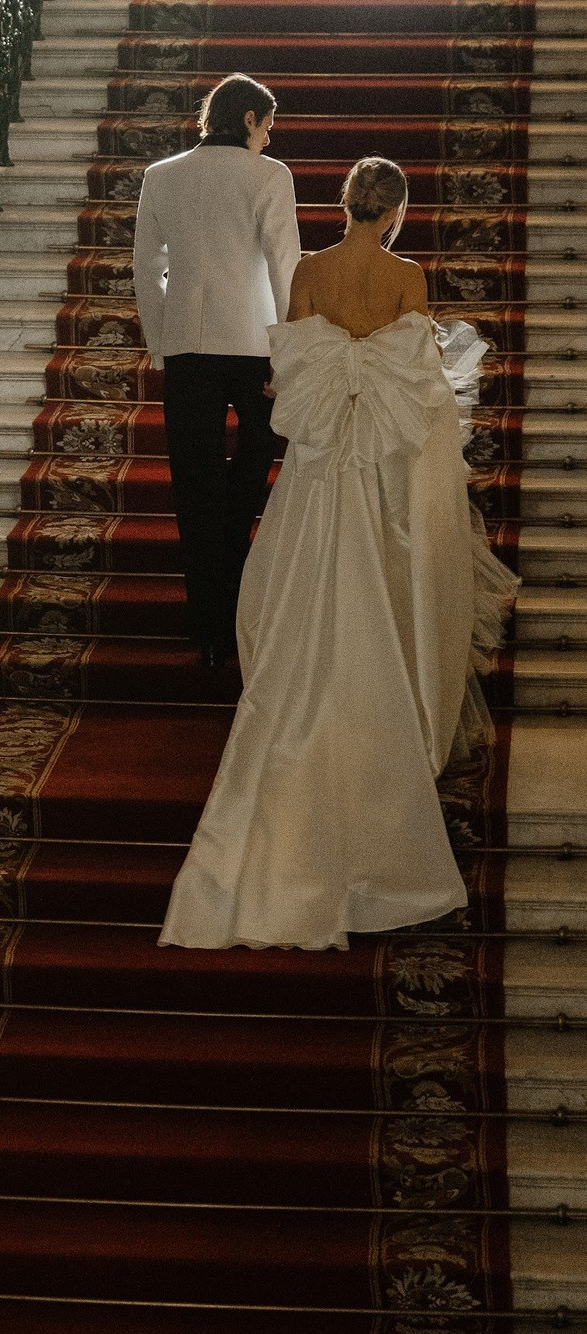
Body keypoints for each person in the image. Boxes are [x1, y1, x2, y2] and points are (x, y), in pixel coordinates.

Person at [159, 157, 519, 950]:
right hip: (376, 471)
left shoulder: (312, 271)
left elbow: (288, 374)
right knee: (384, 579)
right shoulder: (408, 276)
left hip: (320, 465)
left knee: (296, 582)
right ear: (394, 214)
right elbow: (420, 387)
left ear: (344, 205)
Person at [132, 73, 303, 668]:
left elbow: (144, 269)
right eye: (268, 127)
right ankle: (233, 600)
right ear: (252, 120)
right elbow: (286, 269)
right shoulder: (269, 176)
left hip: (187, 349)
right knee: (250, 472)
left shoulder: (162, 176)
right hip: (254, 344)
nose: (267, 139)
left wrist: (163, 343)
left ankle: (205, 627)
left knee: (193, 488)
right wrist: (291, 355)